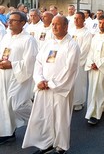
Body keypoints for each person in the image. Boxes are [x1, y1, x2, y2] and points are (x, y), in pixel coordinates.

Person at [22, 16, 80, 154]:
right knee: (44, 116)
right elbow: (38, 62)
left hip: (60, 89)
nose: (53, 27)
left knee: (60, 118)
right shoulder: (48, 43)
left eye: (57, 24)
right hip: (44, 87)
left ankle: (60, 146)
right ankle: (46, 142)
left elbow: (70, 69)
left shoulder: (72, 45)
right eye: (53, 24)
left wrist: (52, 84)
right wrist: (39, 80)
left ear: (66, 27)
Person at [0, 11, 38, 145]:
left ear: (23, 23)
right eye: (9, 19)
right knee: (4, 106)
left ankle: (41, 122)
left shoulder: (28, 40)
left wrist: (12, 65)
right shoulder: (6, 37)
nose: (9, 22)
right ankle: (7, 133)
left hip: (18, 77)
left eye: (13, 20)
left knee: (17, 105)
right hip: (4, 76)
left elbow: (30, 62)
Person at [85, 15, 104, 125]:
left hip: (103, 68)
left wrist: (99, 64)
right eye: (100, 23)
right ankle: (103, 106)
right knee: (94, 89)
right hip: (93, 67)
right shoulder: (96, 37)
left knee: (100, 89)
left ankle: (95, 114)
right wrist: (91, 63)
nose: (101, 25)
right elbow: (91, 52)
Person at [69, 12, 92, 111]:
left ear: (83, 20)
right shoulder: (71, 31)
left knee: (79, 82)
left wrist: (76, 58)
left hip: (79, 61)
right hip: (69, 60)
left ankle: (79, 102)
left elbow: (85, 48)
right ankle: (71, 101)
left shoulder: (87, 33)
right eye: (75, 19)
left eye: (78, 19)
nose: (76, 21)